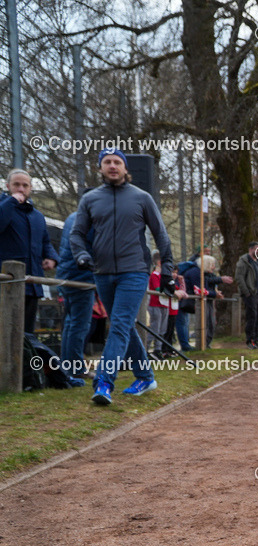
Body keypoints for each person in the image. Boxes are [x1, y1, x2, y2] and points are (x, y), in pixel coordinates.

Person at [70, 149, 177, 404]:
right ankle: (145, 377)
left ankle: (103, 383)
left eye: (117, 162)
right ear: (100, 168)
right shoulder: (90, 199)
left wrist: (167, 271)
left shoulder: (142, 197)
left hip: (135, 271)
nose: (112, 165)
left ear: (125, 168)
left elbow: (161, 235)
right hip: (103, 272)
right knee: (124, 325)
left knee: (118, 325)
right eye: (107, 162)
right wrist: (81, 255)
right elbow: (77, 234)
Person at [1, 169, 59, 333]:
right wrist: (11, 201)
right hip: (7, 283)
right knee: (6, 332)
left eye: (25, 185)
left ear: (30, 188)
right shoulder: (4, 208)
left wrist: (51, 258)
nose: (21, 189)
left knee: (26, 333)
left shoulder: (37, 216)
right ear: (8, 186)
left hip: (32, 283)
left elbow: (45, 242)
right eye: (16, 185)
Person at [56, 210, 94, 386]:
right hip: (81, 277)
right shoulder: (91, 220)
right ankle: (76, 368)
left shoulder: (72, 216)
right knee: (80, 324)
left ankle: (66, 365)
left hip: (66, 274)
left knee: (71, 323)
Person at [184, 255, 233, 348]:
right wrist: (215, 294)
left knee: (211, 322)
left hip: (208, 299)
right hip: (198, 301)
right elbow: (200, 289)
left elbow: (210, 282)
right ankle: (201, 344)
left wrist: (216, 292)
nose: (213, 267)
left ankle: (207, 343)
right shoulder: (195, 272)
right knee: (204, 322)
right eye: (212, 265)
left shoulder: (206, 273)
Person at [235, 241, 258, 349]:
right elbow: (239, 277)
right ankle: (250, 340)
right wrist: (247, 292)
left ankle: (256, 339)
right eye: (257, 249)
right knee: (252, 317)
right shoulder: (244, 261)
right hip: (251, 294)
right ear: (251, 249)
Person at [146, 253, 171, 355]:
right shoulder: (154, 275)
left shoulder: (164, 276)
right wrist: (170, 290)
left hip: (164, 304)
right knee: (154, 328)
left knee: (162, 329)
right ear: (160, 263)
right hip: (155, 305)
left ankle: (158, 349)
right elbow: (158, 288)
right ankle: (145, 349)